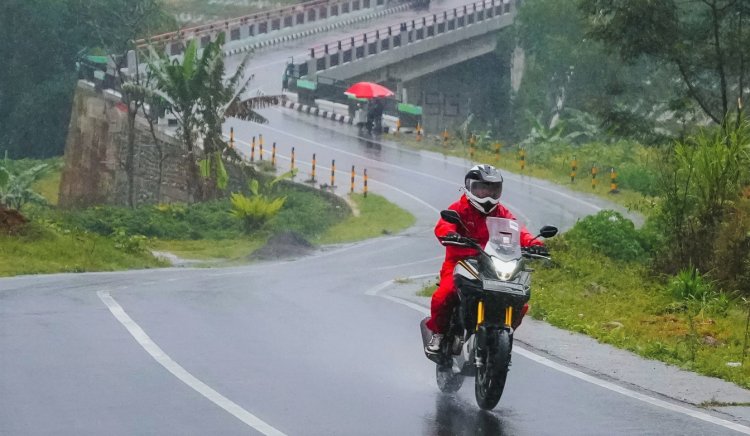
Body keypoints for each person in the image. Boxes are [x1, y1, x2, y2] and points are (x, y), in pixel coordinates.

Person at [425, 164, 547, 354]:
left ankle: (502, 335)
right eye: (482, 188)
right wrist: (451, 234)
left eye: (492, 189)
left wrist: (534, 244)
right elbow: (444, 225)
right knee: (444, 295)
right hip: (461, 262)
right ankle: (439, 334)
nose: (487, 194)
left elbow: (519, 231)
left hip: (492, 264)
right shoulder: (459, 209)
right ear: (470, 187)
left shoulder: (502, 213)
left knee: (520, 300)